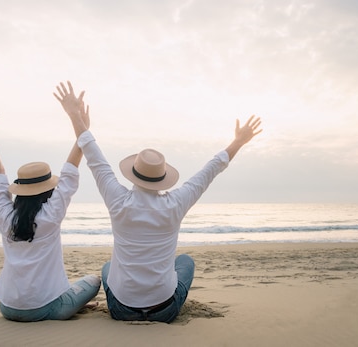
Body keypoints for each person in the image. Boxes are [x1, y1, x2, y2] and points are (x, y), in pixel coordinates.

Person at [54, 81, 262, 323]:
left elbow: (93, 156)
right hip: (165, 310)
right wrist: (238, 141)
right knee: (185, 262)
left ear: (133, 173)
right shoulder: (176, 203)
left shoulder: (117, 199)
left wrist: (75, 116)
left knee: (109, 267)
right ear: (163, 179)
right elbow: (211, 169)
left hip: (122, 310)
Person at [0, 101, 101, 322]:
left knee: (70, 291)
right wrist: (81, 126)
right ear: (48, 190)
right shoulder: (50, 216)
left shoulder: (5, 217)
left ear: (20, 190)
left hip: (8, 308)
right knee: (93, 280)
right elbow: (70, 169)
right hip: (48, 309)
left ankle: (72, 302)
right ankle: (72, 303)